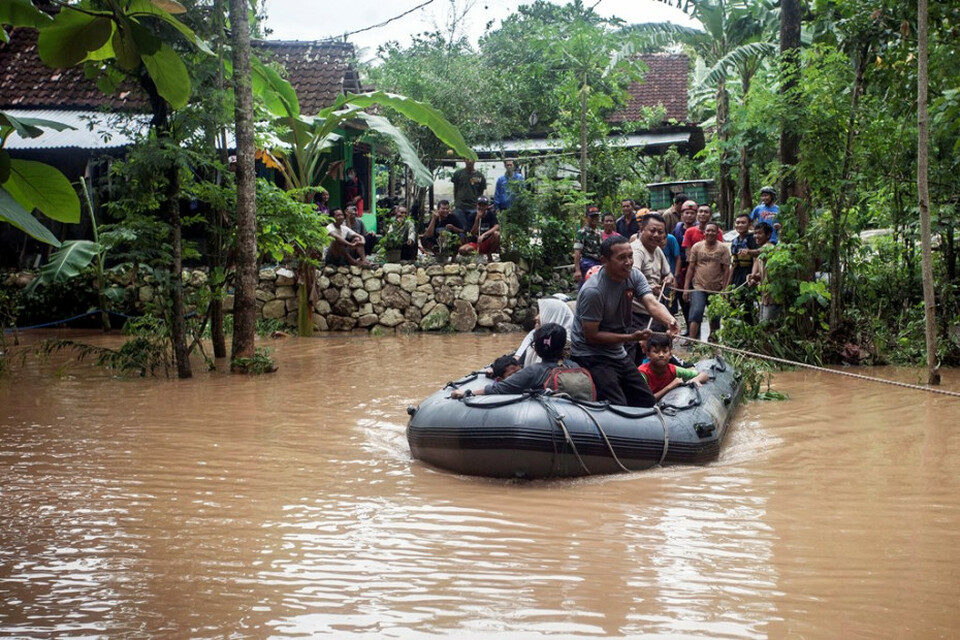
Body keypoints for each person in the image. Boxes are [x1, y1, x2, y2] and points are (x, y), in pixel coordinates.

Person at [570, 235, 680, 408]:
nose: (629, 262)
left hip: (616, 350)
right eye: (621, 258)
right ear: (604, 261)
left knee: (646, 400)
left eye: (630, 256)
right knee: (618, 404)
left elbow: (651, 303)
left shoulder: (634, 275)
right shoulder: (594, 291)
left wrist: (670, 321)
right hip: (590, 353)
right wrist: (631, 338)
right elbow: (591, 337)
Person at [451, 323, 577, 398]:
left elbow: (499, 389)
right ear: (563, 346)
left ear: (537, 349)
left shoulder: (533, 371)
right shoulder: (574, 366)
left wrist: (466, 392)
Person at [629, 213, 675, 357]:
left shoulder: (657, 250)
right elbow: (632, 279)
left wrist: (668, 278)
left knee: (658, 351)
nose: (656, 235)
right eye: (652, 230)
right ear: (642, 229)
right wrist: (649, 289)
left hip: (654, 311)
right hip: (636, 313)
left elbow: (668, 273)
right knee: (636, 352)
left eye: (660, 232)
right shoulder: (636, 251)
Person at [683, 222, 731, 342]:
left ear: (717, 233)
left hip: (716, 287)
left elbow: (726, 270)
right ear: (704, 232)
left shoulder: (723, 248)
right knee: (696, 311)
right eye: (708, 230)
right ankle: (692, 340)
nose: (710, 233)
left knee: (715, 315)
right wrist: (685, 288)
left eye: (713, 231)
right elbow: (691, 268)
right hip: (699, 286)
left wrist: (725, 289)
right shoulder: (697, 247)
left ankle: (713, 339)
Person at [638, 333, 709, 400]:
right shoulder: (643, 373)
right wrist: (670, 386)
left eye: (665, 352)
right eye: (656, 352)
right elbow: (647, 400)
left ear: (670, 355)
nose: (661, 355)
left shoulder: (673, 369)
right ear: (648, 355)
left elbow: (704, 375)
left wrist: (696, 379)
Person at [515, 297, 575, 367]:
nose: (536, 318)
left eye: (541, 313)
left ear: (554, 315)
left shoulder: (567, 347)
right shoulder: (535, 335)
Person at [747, 221, 780, 322]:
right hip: (764, 296)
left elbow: (757, 252)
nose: (756, 236)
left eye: (759, 233)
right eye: (755, 233)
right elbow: (763, 274)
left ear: (768, 235)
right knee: (763, 326)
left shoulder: (769, 247)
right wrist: (753, 277)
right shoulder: (761, 252)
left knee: (768, 326)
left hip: (773, 297)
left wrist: (747, 251)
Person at [451, 158, 486, 231]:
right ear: (464, 160)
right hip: (460, 206)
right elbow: (455, 189)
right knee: (461, 229)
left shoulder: (480, 176)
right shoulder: (458, 174)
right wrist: (456, 203)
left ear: (475, 160)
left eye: (471, 159)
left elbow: (480, 192)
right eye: (467, 159)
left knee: (472, 229)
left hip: (473, 207)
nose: (469, 161)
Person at [573, 205, 603, 287]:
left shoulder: (599, 232)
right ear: (586, 218)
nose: (594, 218)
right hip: (587, 263)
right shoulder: (582, 232)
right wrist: (577, 270)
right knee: (586, 287)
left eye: (596, 216)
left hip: (599, 263)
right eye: (592, 216)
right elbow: (577, 251)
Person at [730, 213, 759, 287]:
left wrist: (753, 276)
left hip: (750, 272)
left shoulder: (754, 239)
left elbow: (756, 259)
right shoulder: (735, 241)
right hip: (738, 274)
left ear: (749, 224)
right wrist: (728, 283)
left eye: (743, 223)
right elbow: (734, 263)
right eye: (737, 223)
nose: (740, 225)